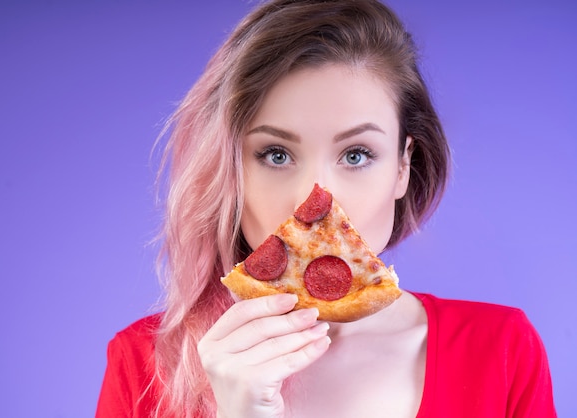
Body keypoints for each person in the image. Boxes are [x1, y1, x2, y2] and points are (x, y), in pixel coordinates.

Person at [96, 0, 556, 417]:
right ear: (231, 170)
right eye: (276, 154)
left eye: (356, 154)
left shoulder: (501, 349)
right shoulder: (141, 365)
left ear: (402, 167)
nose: (313, 201)